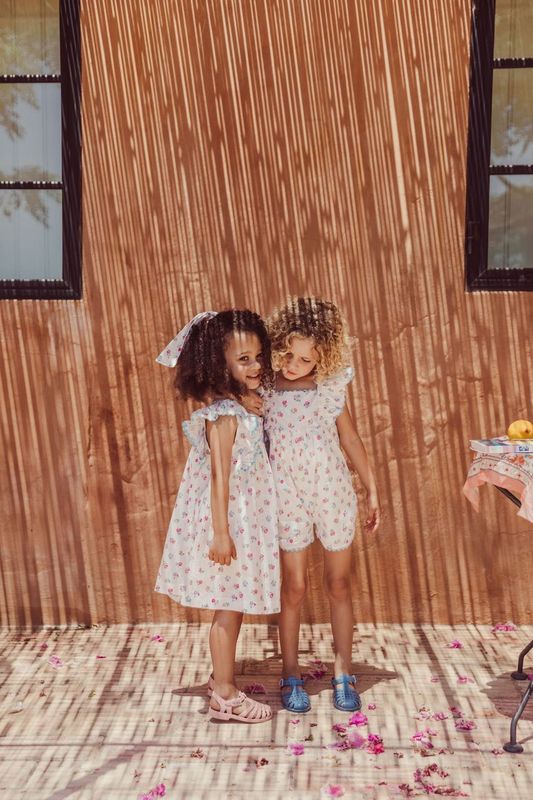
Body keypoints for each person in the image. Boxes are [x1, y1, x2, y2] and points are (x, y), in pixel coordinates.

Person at [155, 309, 280, 723]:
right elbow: (218, 479)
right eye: (243, 359)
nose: (256, 366)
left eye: (258, 356)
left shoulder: (238, 407)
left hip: (244, 518)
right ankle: (225, 695)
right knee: (228, 605)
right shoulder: (223, 416)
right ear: (218, 364)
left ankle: (220, 680)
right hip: (230, 521)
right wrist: (222, 534)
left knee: (235, 602)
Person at [264, 297, 380, 713]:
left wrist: (371, 487)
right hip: (286, 493)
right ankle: (291, 673)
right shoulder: (265, 388)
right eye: (288, 355)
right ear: (277, 346)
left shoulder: (330, 387)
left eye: (305, 360)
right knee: (294, 587)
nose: (294, 365)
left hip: (330, 488)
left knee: (339, 584)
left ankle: (343, 672)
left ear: (323, 359)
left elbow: (349, 438)